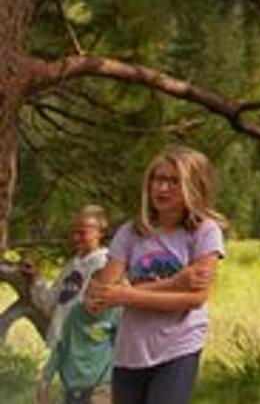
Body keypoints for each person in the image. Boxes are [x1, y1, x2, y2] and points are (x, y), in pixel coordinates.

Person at [84, 146, 227, 404]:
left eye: (174, 181)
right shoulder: (131, 232)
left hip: (178, 347)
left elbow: (194, 299)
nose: (162, 188)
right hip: (131, 350)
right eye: (157, 179)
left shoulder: (205, 232)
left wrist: (126, 295)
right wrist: (175, 282)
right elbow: (100, 299)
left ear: (194, 186)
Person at [30, 204, 118, 404]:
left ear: (99, 232)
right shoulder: (73, 264)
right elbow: (52, 302)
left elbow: (104, 313)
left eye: (82, 232)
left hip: (92, 358)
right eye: (74, 232)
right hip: (66, 353)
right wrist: (36, 279)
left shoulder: (105, 263)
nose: (76, 237)